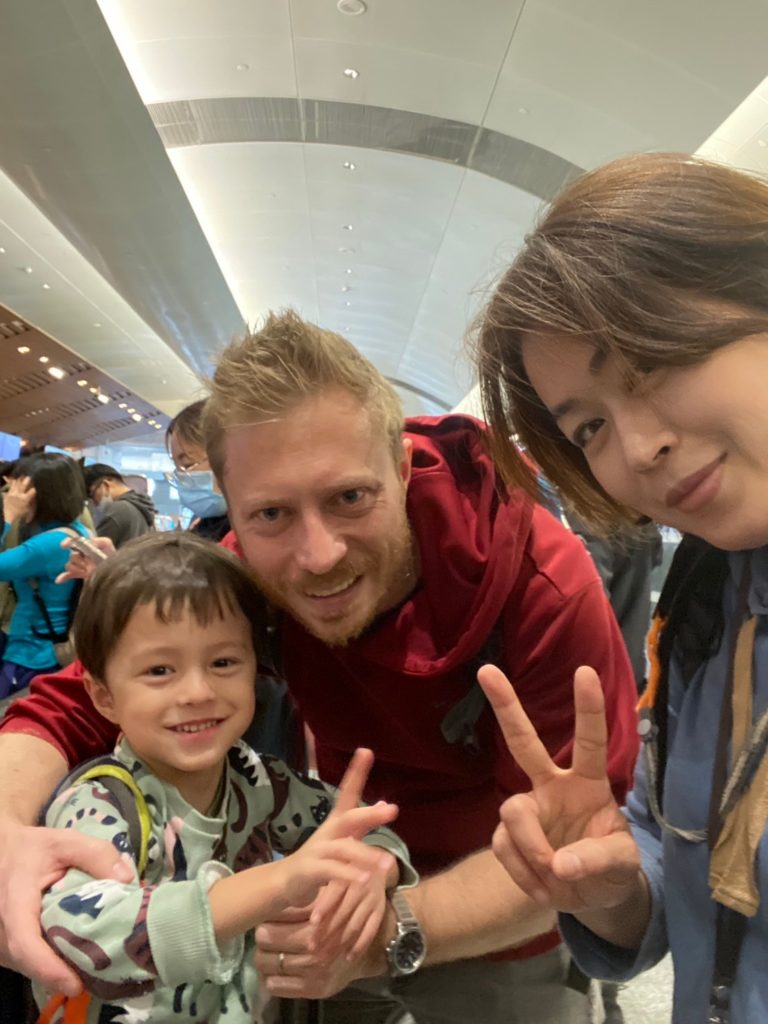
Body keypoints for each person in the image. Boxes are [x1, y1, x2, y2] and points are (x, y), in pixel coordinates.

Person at [0, 312, 640, 1024]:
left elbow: (570, 845)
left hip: (497, 930)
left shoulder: (541, 585)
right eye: (271, 514)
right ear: (233, 510)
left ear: (402, 469)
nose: (317, 556)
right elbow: (70, 705)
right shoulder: (248, 577)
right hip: (325, 899)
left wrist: (387, 924)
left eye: (350, 498)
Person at [472, 152, 768, 1023]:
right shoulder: (707, 604)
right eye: (591, 427)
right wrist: (611, 888)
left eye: (655, 362)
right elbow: (685, 866)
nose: (638, 449)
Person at [35, 532, 412, 1024]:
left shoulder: (259, 780)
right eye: (159, 670)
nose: (197, 691)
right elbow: (87, 933)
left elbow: (358, 830)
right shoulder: (102, 803)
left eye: (223, 662)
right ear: (104, 696)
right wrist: (279, 881)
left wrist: (376, 868)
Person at [0, 454, 89, 699]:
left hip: (30, 656)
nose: (13, 495)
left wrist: (8, 516)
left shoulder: (48, 545)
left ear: (38, 495)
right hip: (51, 650)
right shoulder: (76, 531)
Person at [166, 400, 231, 542]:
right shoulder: (206, 525)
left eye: (187, 464)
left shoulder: (249, 536)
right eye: (177, 467)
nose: (182, 476)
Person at [82, 463, 156, 548]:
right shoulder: (142, 506)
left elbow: (95, 550)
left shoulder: (120, 510)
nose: (95, 503)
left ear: (106, 484)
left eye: (92, 495)